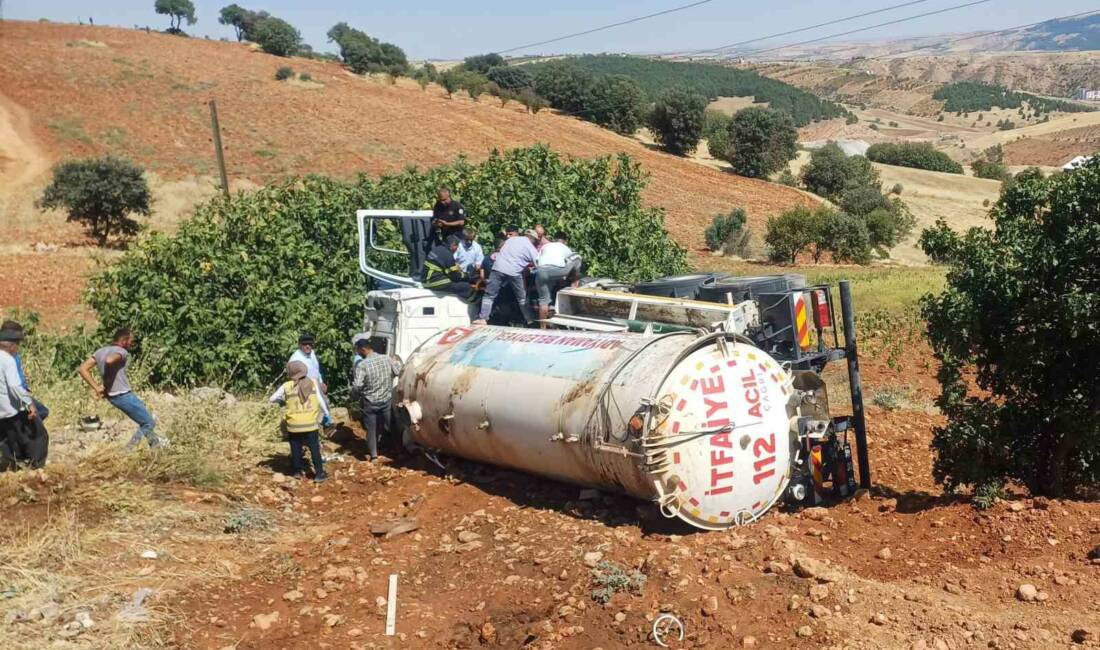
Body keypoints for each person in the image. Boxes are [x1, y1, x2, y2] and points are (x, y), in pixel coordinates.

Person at [77, 328, 165, 449]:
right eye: (130, 341)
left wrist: (97, 388)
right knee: (148, 422)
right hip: (123, 395)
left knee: (144, 419)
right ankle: (129, 449)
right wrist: (107, 378)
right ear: (124, 341)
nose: (131, 344)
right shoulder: (122, 351)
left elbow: (82, 369)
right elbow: (109, 360)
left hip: (114, 397)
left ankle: (155, 446)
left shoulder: (100, 351)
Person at [269, 360, 329, 482]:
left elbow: (272, 398)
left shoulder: (286, 386)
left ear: (290, 372)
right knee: (314, 449)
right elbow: (320, 400)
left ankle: (297, 471)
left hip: (294, 424)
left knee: (295, 447)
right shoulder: (312, 383)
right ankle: (319, 474)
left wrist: (283, 400)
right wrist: (327, 414)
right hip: (310, 424)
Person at [351, 339, 402, 461]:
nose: (358, 354)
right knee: (392, 426)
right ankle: (400, 452)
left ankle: (374, 456)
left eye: (358, 351)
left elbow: (357, 385)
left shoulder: (362, 365)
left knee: (371, 430)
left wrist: (353, 395)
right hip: (386, 400)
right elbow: (398, 372)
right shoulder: (386, 358)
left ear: (363, 349)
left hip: (370, 403)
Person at [0, 324, 43, 470]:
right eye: (17, 345)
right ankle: (35, 465)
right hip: (10, 408)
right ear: (11, 346)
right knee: (36, 434)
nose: (17, 349)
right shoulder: (8, 360)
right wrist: (29, 403)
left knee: (8, 437)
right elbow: (14, 386)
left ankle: (11, 463)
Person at [475, 229, 538, 325]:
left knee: (489, 295)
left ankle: (483, 318)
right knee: (522, 298)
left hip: (498, 268)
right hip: (514, 272)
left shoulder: (511, 240)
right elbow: (538, 263)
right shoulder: (530, 247)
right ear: (533, 239)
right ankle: (530, 320)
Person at [535, 233, 583, 326]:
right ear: (565, 241)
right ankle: (574, 284)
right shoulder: (565, 247)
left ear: (554, 239)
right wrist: (566, 274)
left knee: (543, 302)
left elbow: (537, 261)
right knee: (577, 257)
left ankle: (542, 328)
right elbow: (570, 260)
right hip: (558, 270)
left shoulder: (546, 246)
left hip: (541, 271)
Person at [288, 332, 332, 428]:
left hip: (316, 382)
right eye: (305, 344)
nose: (308, 346)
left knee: (325, 403)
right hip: (305, 386)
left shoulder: (312, 353)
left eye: (310, 344)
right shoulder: (295, 359)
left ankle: (325, 427)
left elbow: (316, 369)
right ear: (299, 345)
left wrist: (320, 381)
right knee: (314, 409)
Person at [424, 235, 477, 300]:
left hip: (425, 280)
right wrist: (467, 275)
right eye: (457, 246)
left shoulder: (437, 248)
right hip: (434, 282)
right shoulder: (448, 256)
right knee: (466, 287)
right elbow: (455, 276)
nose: (457, 249)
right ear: (453, 245)